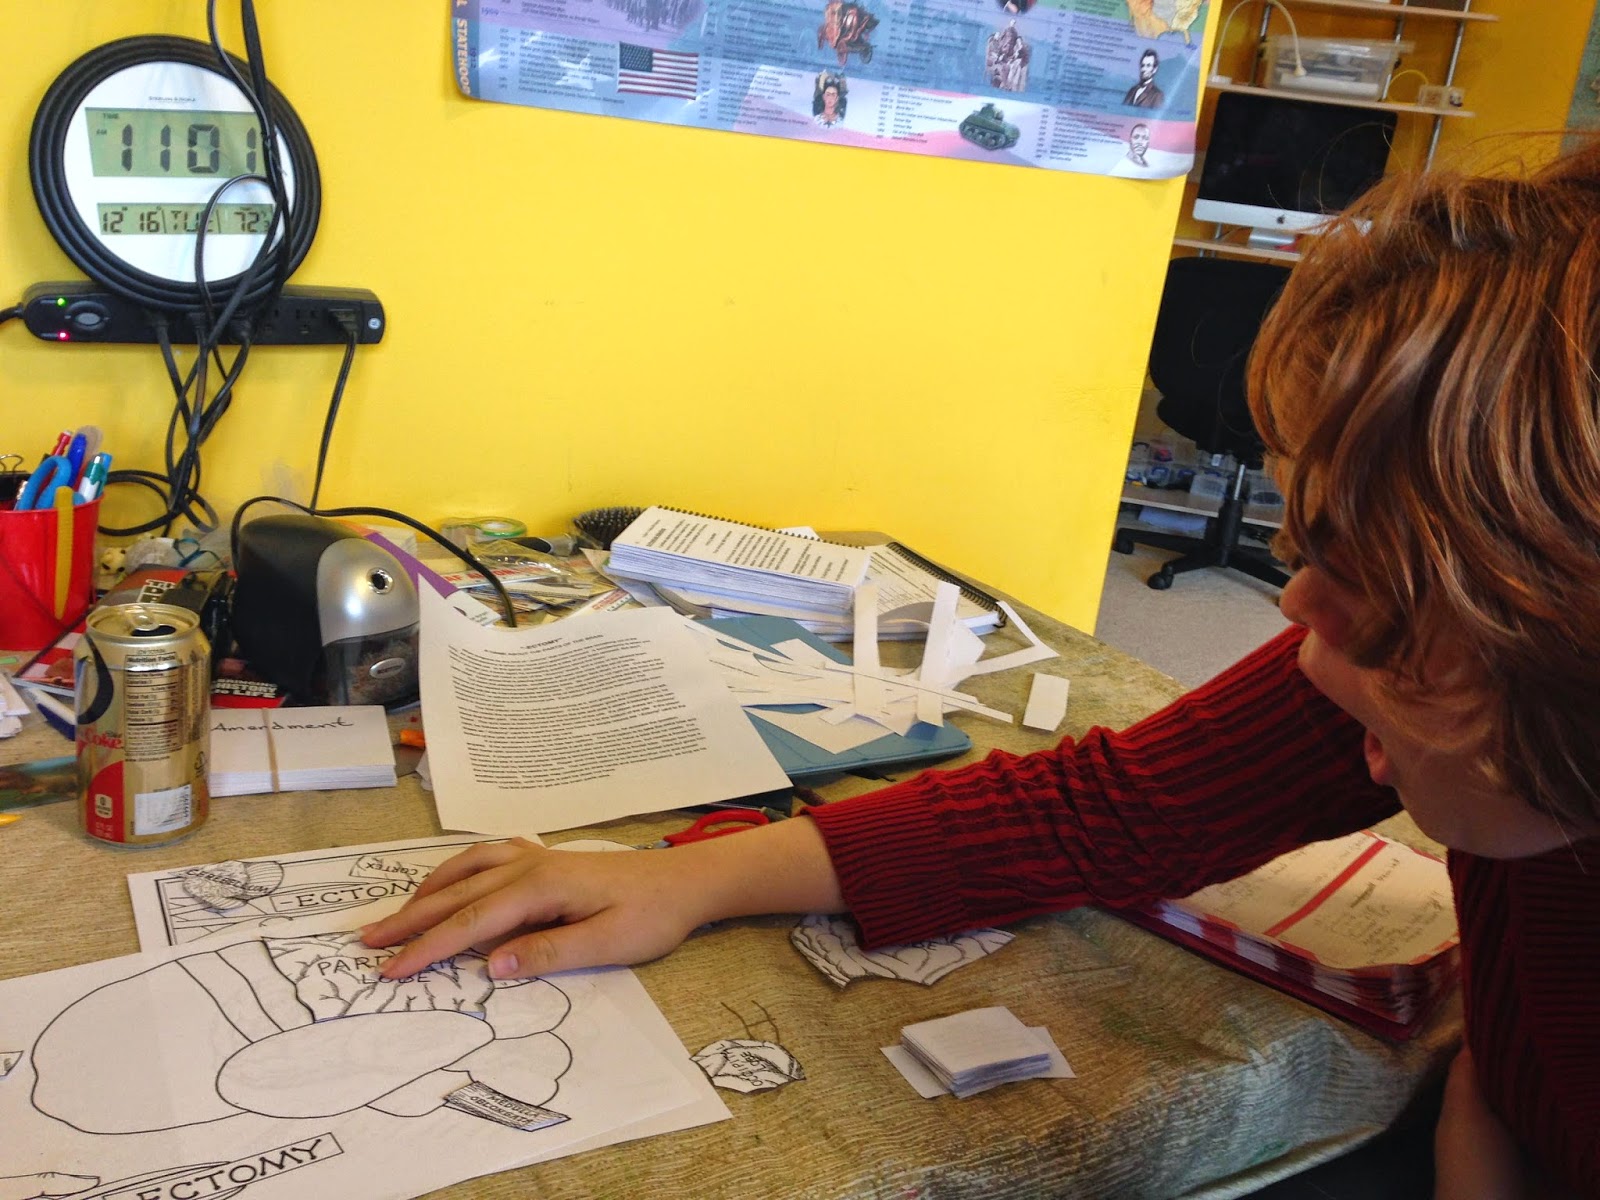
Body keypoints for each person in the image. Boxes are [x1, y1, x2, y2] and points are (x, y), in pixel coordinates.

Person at [363, 143, 1600, 1198]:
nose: (1295, 608)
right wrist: (686, 877)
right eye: (1309, 543)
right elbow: (1110, 810)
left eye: (1374, 579)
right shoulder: (1443, 686)